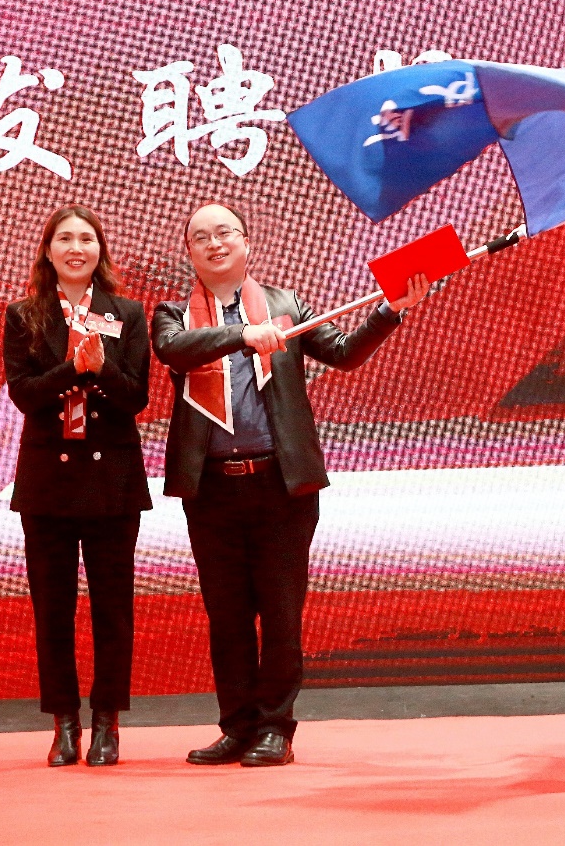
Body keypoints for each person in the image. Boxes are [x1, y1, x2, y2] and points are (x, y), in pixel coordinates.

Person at [151, 203, 429, 766]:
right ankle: (237, 727)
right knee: (227, 617)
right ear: (190, 253)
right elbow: (174, 351)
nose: (214, 243)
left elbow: (344, 353)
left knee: (280, 613)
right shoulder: (172, 315)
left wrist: (389, 311)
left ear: (247, 243)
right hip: (212, 491)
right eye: (201, 237)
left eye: (225, 232)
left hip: (280, 486)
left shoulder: (287, 306)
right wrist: (243, 334)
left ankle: (276, 728)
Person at [2, 204, 152, 767]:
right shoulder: (24, 315)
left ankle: (107, 722)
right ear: (48, 251)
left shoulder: (127, 313)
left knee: (113, 608)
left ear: (99, 251)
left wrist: (102, 369)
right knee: (53, 610)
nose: (76, 248)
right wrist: (73, 369)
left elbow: (135, 397)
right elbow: (24, 394)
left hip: (112, 479)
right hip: (48, 482)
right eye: (64, 239)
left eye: (86, 239)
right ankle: (64, 723)